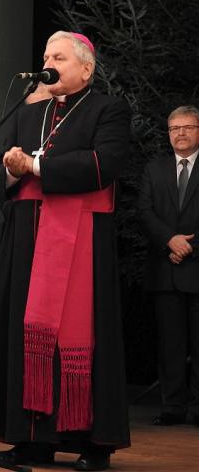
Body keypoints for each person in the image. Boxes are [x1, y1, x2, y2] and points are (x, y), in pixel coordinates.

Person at [0, 31, 131, 471]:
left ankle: (92, 443)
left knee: (83, 333)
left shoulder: (108, 109)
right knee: (23, 332)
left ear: (86, 67)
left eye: (58, 57)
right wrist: (12, 170)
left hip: (83, 237)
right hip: (27, 238)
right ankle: (31, 440)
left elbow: (104, 164)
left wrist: (36, 166)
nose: (48, 63)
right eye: (46, 56)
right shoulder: (29, 113)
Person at [137, 105, 199, 427]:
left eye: (187, 127)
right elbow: (144, 211)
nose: (180, 133)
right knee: (170, 345)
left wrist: (188, 246)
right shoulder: (155, 169)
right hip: (165, 270)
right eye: (174, 128)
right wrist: (170, 241)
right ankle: (173, 407)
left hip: (197, 266)